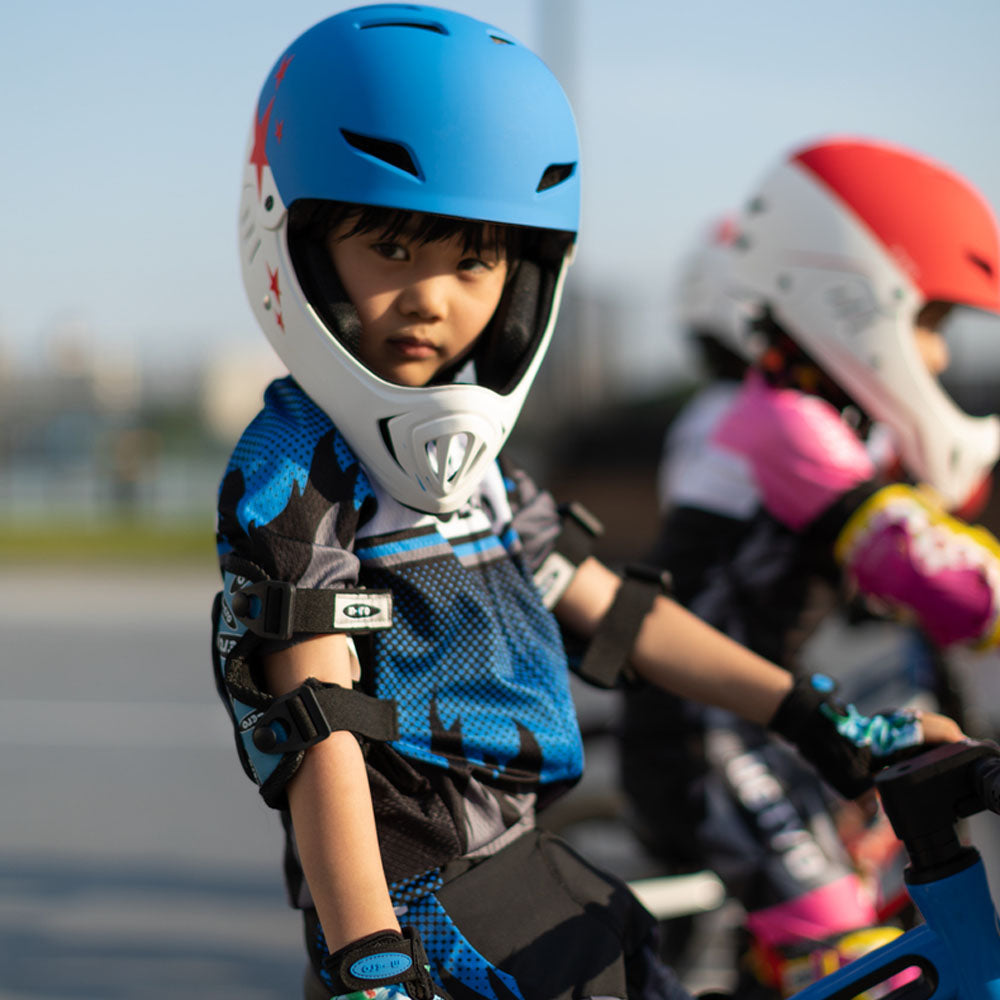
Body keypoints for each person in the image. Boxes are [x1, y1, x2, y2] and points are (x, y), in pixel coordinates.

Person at [211, 19, 961, 1000]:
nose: (431, 297)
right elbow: (319, 727)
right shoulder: (296, 469)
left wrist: (827, 724)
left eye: (473, 263)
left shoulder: (471, 465)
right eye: (391, 245)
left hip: (533, 866)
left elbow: (624, 616)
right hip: (416, 912)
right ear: (297, 243)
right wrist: (369, 958)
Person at [621, 136, 1000, 996]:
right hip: (700, 732)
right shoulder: (787, 427)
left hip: (760, 722)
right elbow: (937, 573)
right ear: (853, 304)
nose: (937, 357)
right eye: (930, 325)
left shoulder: (814, 418)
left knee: (894, 919)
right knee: (851, 955)